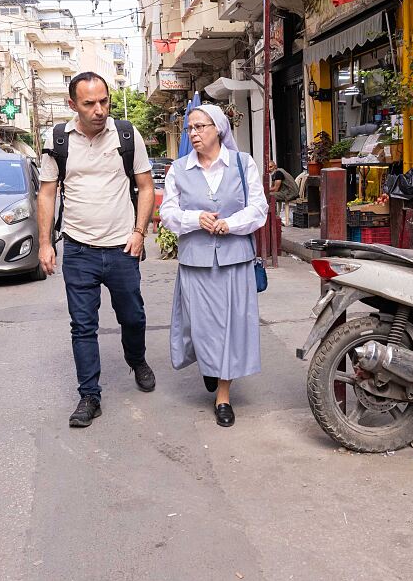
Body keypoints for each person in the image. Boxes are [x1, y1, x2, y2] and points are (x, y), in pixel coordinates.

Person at [37, 71, 156, 428]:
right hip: (78, 249)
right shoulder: (58, 139)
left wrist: (139, 232)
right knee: (82, 326)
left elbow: (146, 187)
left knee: (132, 316)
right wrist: (45, 244)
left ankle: (137, 360)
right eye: (89, 103)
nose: (99, 109)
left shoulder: (126, 134)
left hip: (122, 247)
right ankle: (89, 395)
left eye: (103, 101)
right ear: (72, 104)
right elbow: (46, 193)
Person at [160, 104, 268, 427]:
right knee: (201, 327)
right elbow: (166, 213)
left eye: (200, 127)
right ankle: (209, 365)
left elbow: (259, 208)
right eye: (189, 128)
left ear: (218, 129)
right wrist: (195, 219)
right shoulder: (178, 170)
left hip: (235, 260)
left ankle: (223, 394)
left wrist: (230, 224)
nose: (193, 134)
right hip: (196, 262)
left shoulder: (242, 163)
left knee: (232, 327)